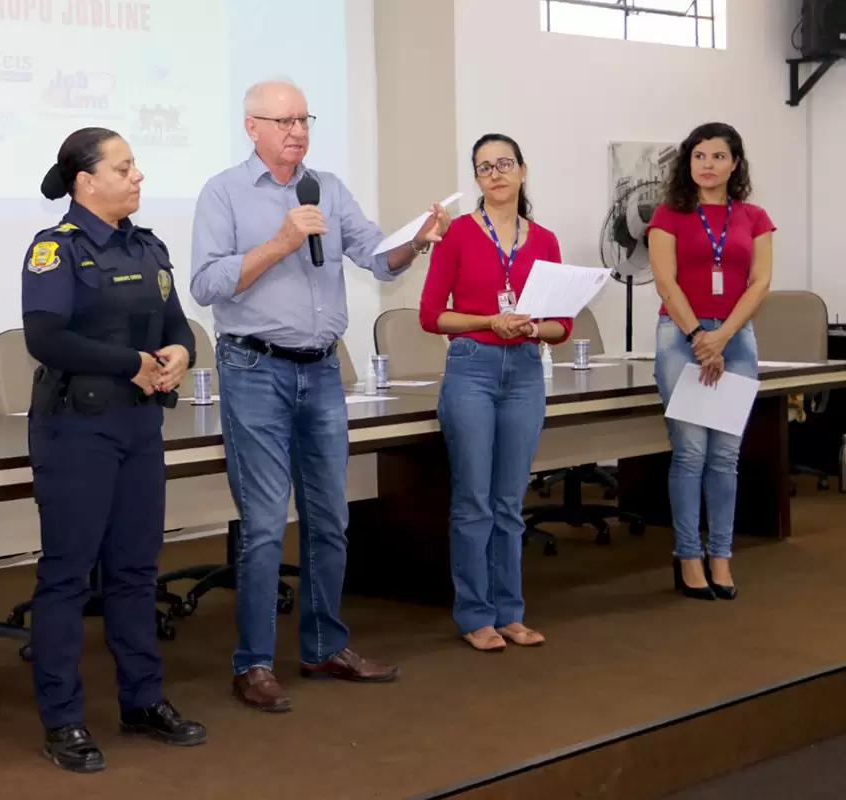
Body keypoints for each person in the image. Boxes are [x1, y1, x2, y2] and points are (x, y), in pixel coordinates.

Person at [190, 79, 451, 712]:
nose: (297, 131)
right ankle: (252, 663)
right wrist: (279, 242)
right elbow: (205, 284)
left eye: (303, 119)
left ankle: (323, 645)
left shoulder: (327, 188)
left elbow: (375, 258)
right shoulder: (222, 192)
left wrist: (415, 241)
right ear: (251, 126)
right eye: (282, 121)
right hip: (254, 369)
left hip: (323, 371)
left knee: (330, 516)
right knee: (261, 524)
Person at [22, 127, 207, 773]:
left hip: (137, 427)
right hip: (76, 429)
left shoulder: (148, 245)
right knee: (68, 575)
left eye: (136, 167)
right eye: (124, 167)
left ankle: (143, 701)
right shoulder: (56, 249)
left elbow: (177, 324)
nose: (138, 177)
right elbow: (45, 339)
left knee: (134, 570)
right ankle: (64, 719)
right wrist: (131, 362)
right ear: (86, 181)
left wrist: (181, 351)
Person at [419, 133, 572, 653]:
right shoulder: (459, 233)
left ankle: (511, 612)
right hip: (472, 369)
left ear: (523, 171)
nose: (496, 174)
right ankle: (475, 614)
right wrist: (491, 320)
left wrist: (529, 329)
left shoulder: (545, 240)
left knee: (509, 502)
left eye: (504, 164)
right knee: (474, 501)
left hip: (526, 370)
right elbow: (430, 315)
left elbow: (562, 325)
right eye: (484, 168)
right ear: (477, 179)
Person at [647, 121, 773, 601]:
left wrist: (722, 336)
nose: (708, 165)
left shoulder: (754, 217)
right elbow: (665, 282)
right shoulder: (668, 215)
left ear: (734, 163)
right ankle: (688, 555)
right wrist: (701, 336)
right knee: (691, 452)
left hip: (736, 337)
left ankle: (721, 553)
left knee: (725, 456)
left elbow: (759, 282)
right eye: (700, 156)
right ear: (688, 162)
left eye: (718, 156)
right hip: (681, 337)